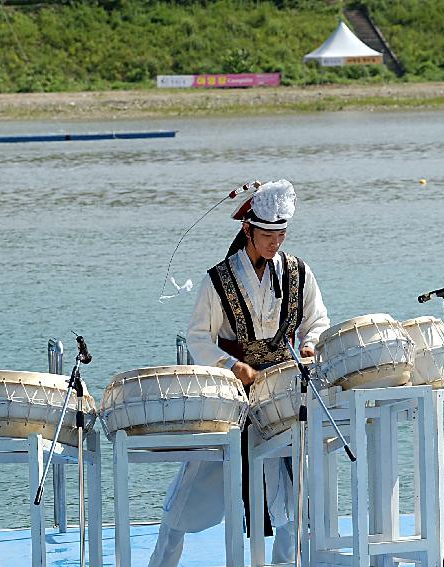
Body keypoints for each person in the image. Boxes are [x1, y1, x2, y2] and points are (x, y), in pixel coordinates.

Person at [148, 179, 330, 567]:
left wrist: (311, 345)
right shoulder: (219, 280)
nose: (275, 242)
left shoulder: (298, 272)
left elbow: (316, 320)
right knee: (189, 494)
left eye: (280, 234)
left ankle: (286, 564)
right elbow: (199, 337)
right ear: (247, 228)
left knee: (291, 491)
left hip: (281, 398)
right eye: (267, 234)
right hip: (233, 402)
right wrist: (231, 366)